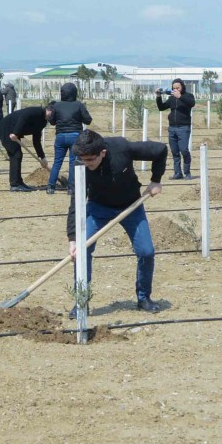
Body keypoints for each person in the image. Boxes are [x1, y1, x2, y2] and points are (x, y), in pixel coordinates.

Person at [66, 128, 166, 315]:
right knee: (82, 251)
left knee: (146, 251)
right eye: (81, 159)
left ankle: (144, 298)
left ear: (102, 153)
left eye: (90, 160)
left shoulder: (121, 148)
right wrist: (73, 238)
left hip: (131, 206)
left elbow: (160, 150)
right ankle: (81, 301)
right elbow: (75, 203)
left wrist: (155, 180)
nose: (85, 164)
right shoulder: (79, 164)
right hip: (98, 208)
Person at [46, 82, 91, 194]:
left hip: (60, 136)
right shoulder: (79, 105)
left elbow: (52, 122)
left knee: (57, 162)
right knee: (73, 162)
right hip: (75, 136)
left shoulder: (56, 105)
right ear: (75, 93)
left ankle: (51, 187)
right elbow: (88, 120)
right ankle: (71, 188)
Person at [0, 104, 48, 192]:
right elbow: (24, 117)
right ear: (48, 110)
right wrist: (16, 133)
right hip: (7, 129)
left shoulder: (43, 122)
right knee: (16, 155)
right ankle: (14, 184)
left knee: (18, 155)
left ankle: (19, 182)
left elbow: (36, 141)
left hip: (13, 133)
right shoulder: (37, 111)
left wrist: (42, 157)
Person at [156, 78, 196, 179]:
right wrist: (158, 96)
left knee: (184, 150)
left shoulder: (188, 96)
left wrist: (180, 97)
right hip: (172, 128)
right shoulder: (172, 98)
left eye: (178, 87)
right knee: (174, 151)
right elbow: (161, 107)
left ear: (182, 87)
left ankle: (187, 173)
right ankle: (178, 173)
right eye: (174, 88)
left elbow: (192, 103)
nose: (176, 89)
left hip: (183, 128)